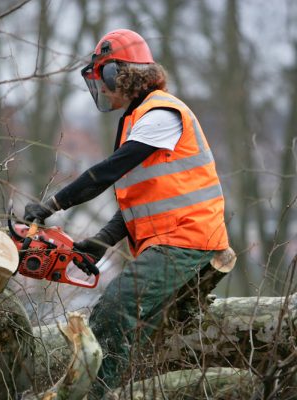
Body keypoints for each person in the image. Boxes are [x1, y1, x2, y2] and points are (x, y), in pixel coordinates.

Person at [24, 29, 230, 398]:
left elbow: (106, 172)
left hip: (187, 239)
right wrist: (102, 241)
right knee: (138, 333)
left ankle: (98, 394)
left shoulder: (162, 112)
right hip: (168, 241)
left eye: (103, 79)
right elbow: (140, 201)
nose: (101, 89)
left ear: (118, 73)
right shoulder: (140, 121)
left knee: (113, 313)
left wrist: (52, 205)